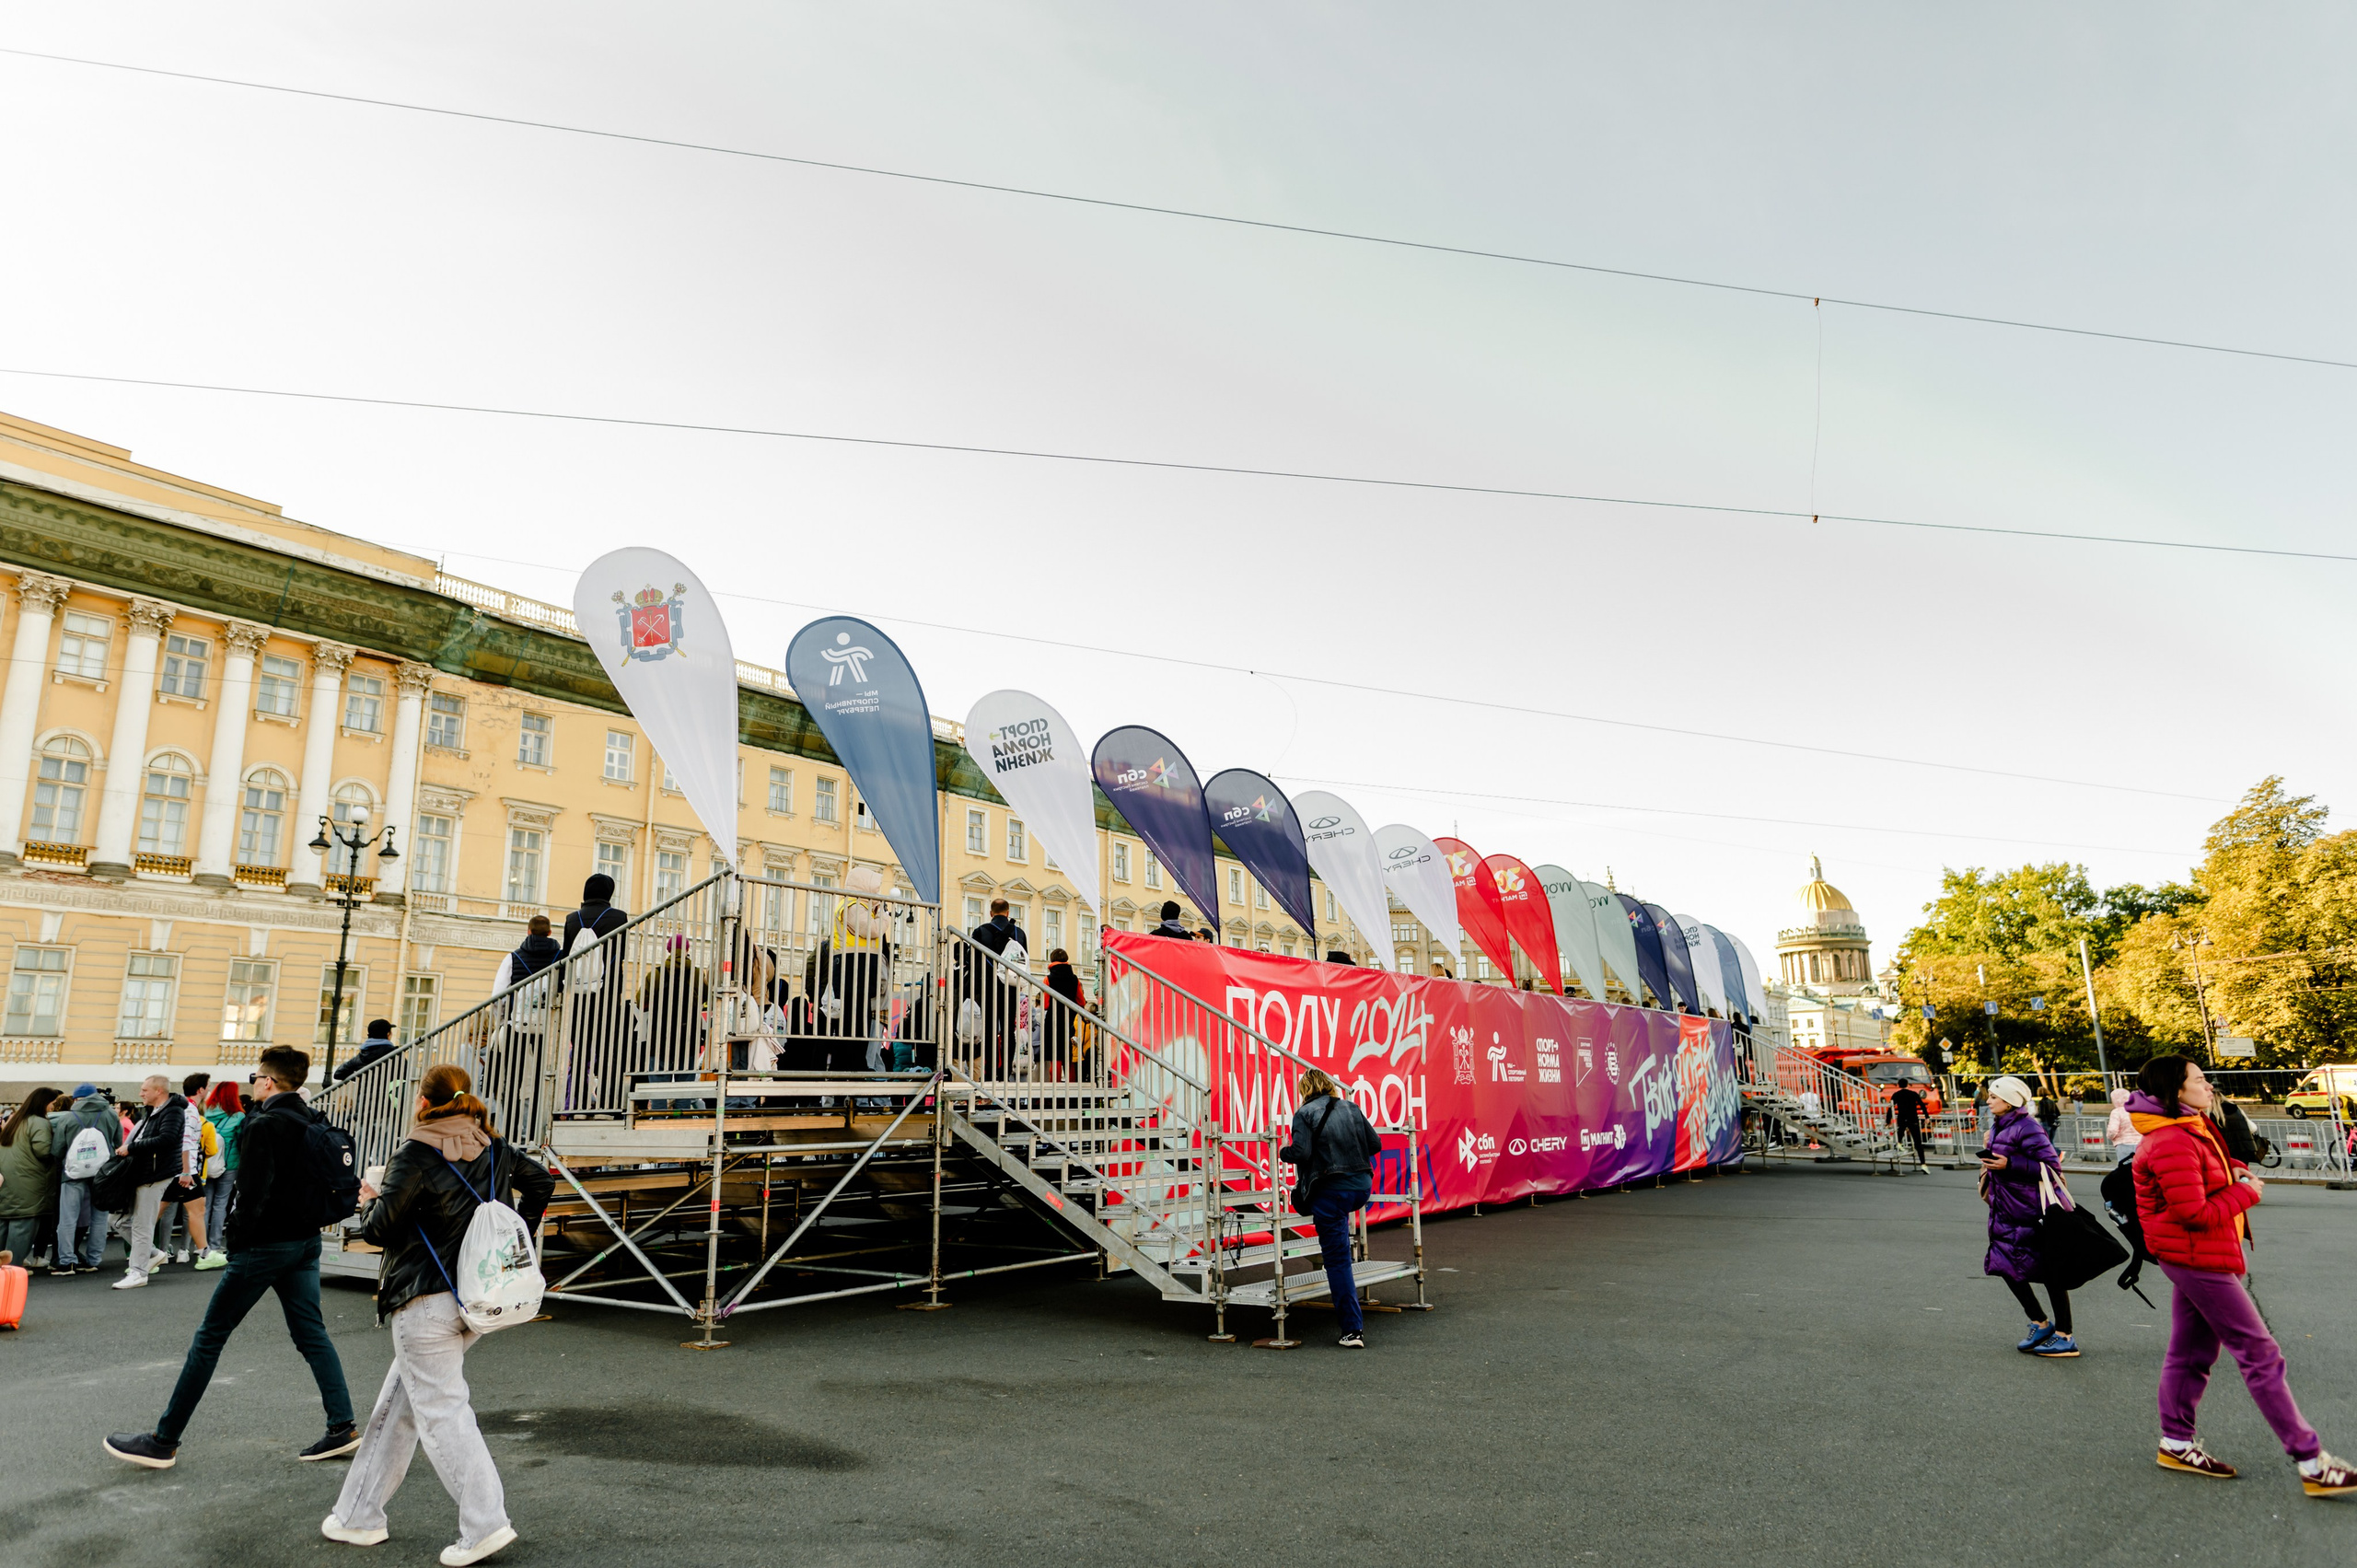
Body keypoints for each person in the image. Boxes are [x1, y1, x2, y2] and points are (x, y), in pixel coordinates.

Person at [326, 1063, 552, 1562]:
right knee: (401, 1409)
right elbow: (542, 1185)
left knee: (442, 1414)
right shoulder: (493, 1146)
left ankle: (486, 1523)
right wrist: (518, 1227)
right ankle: (357, 1514)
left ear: (424, 1103)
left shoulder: (416, 1152)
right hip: (474, 1297)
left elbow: (379, 1230)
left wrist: (372, 1198)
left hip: (425, 1299)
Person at [104, 1045, 358, 1469]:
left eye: (255, 1077)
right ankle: (341, 1425)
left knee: (210, 1337)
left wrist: (235, 1242)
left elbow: (252, 1193)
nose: (251, 1083)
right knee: (311, 1333)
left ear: (268, 1081)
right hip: (304, 1242)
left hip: (264, 1246)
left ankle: (164, 1440)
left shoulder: (267, 1124)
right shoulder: (313, 1118)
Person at [2128, 1055, 2353, 1493]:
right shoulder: (2172, 1138)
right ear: (2176, 1090)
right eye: (2199, 1080)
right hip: (2195, 1254)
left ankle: (2176, 1442)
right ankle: (2311, 1461)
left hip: (2194, 1253)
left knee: (2191, 1352)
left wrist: (2235, 1174)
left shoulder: (2186, 1127)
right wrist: (2245, 1193)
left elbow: (2201, 1185)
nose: (2208, 1086)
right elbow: (2192, 1213)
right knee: (2260, 1351)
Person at [1281, 1069, 1384, 1350]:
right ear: (1329, 1086)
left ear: (1305, 1089)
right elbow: (1375, 1144)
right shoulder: (1351, 1107)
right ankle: (1351, 1325)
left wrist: (1283, 1152)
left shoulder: (1304, 1113)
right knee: (1338, 1249)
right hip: (1360, 1188)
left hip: (1331, 1192)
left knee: (1338, 1262)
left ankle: (1353, 1331)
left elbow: (1300, 1153)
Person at [1979, 1074, 2077, 1357]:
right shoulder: (1999, 1125)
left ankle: (2065, 1335)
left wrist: (2010, 1163)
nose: (1988, 1100)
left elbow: (2051, 1168)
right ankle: (2040, 1322)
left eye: (1994, 1097)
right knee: (2004, 1265)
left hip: (2033, 1211)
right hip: (2005, 1209)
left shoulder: (2028, 1127)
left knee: (2050, 1272)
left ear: (2010, 1101)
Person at [114, 1074, 200, 1289]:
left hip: (155, 1175)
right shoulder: (153, 1111)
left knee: (142, 1225)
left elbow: (168, 1139)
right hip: (143, 1173)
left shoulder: (173, 1111)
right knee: (117, 1220)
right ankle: (153, 1254)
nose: (141, 1093)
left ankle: (138, 1272)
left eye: (144, 1090)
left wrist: (131, 1147)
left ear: (158, 1091)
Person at [560, 874, 632, 1108]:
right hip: (608, 996)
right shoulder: (619, 918)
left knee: (579, 1052)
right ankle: (607, 1104)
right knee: (608, 1051)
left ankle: (576, 1104)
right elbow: (620, 954)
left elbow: (565, 957)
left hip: (580, 997)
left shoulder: (572, 920)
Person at [48, 1086, 117, 1274]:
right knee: (100, 1217)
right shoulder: (111, 1115)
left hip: (72, 1173)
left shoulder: (68, 1117)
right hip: (102, 1173)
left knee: (68, 1218)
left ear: (77, 1099)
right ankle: (93, 1259)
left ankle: (67, 1261)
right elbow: (118, 1142)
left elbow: (57, 1149)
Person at [0, 1086, 60, 1265]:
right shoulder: (39, 1122)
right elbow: (43, 1151)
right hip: (29, 1184)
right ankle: (12, 1268)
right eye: (53, 1103)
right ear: (44, 1102)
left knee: (4, 1225)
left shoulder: (14, 1120)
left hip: (8, 1180)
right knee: (23, 1228)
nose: (53, 1107)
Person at [197, 1081, 248, 1271]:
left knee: (205, 1205)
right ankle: (215, 1244)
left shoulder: (206, 1112)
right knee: (221, 1204)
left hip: (207, 1164)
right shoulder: (238, 1116)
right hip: (229, 1164)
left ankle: (201, 1246)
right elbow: (240, 1141)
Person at [491, 914, 563, 993]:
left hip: (520, 1005)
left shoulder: (513, 958)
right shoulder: (563, 956)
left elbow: (499, 990)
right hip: (551, 1004)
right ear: (549, 932)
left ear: (529, 931)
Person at [1043, 947, 1086, 1081]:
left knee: (1055, 1056)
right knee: (1069, 1056)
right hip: (1071, 1020)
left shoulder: (1048, 979)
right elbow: (1081, 1002)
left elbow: (1046, 1004)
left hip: (1053, 1020)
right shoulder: (1075, 979)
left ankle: (1054, 1091)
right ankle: (1071, 1091)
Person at [331, 1018, 401, 1085]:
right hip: (386, 1096)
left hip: (363, 1096)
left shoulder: (361, 1055)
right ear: (388, 1034)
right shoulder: (395, 1054)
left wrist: (361, 1078)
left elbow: (338, 1074)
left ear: (369, 1035)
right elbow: (405, 1074)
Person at [1890, 1082, 1928, 1169]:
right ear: (1907, 1084)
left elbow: (1891, 1107)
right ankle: (1923, 1164)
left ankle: (1898, 1142)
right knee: (1918, 1142)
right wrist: (1926, 1116)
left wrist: (1888, 1120)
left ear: (1899, 1085)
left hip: (1902, 1117)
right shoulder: (1913, 1094)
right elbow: (1922, 1105)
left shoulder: (1896, 1095)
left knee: (1901, 1130)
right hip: (1913, 1118)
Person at [2106, 1086, 2142, 1165]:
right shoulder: (2137, 1110)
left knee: (2125, 1170)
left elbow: (2112, 1130)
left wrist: (2110, 1137)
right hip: (2140, 1143)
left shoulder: (2117, 1112)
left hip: (2123, 1144)